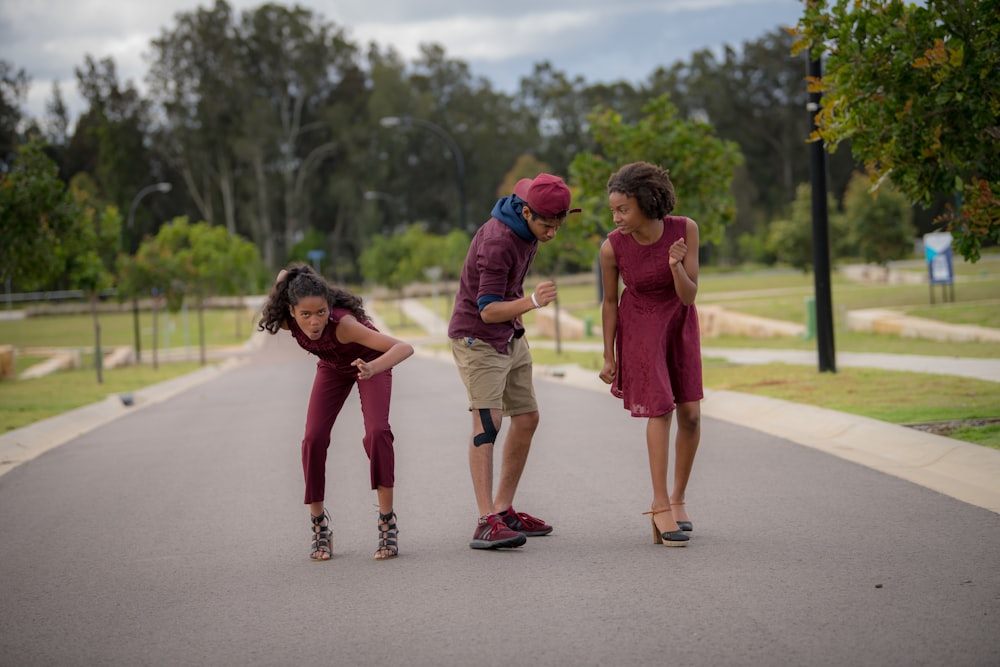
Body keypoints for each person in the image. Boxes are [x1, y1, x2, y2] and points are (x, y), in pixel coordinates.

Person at [448, 173, 580, 549]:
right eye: (546, 224)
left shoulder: (528, 220)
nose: (552, 232)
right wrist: (533, 302)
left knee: (527, 417)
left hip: (510, 335)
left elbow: (527, 182)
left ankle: (504, 509)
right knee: (487, 424)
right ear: (525, 213)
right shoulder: (498, 241)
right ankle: (485, 519)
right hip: (479, 338)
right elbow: (487, 309)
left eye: (559, 224)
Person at [258, 263, 414, 561]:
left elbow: (403, 347)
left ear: (329, 307)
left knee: (377, 433)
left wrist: (372, 369)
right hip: (332, 368)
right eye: (305, 315)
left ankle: (387, 522)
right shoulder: (289, 319)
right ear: (290, 311)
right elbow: (283, 278)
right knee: (312, 439)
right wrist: (295, 274)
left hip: (370, 364)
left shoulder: (344, 325)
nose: (314, 322)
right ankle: (319, 526)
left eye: (321, 312)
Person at [598, 161, 703, 547]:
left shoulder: (684, 229)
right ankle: (659, 505)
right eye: (613, 209)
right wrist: (608, 355)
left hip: (678, 323)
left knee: (690, 414)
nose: (617, 216)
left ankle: (678, 499)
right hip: (640, 325)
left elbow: (689, 295)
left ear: (646, 202)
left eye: (623, 208)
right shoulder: (612, 247)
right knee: (660, 408)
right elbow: (610, 302)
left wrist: (675, 265)